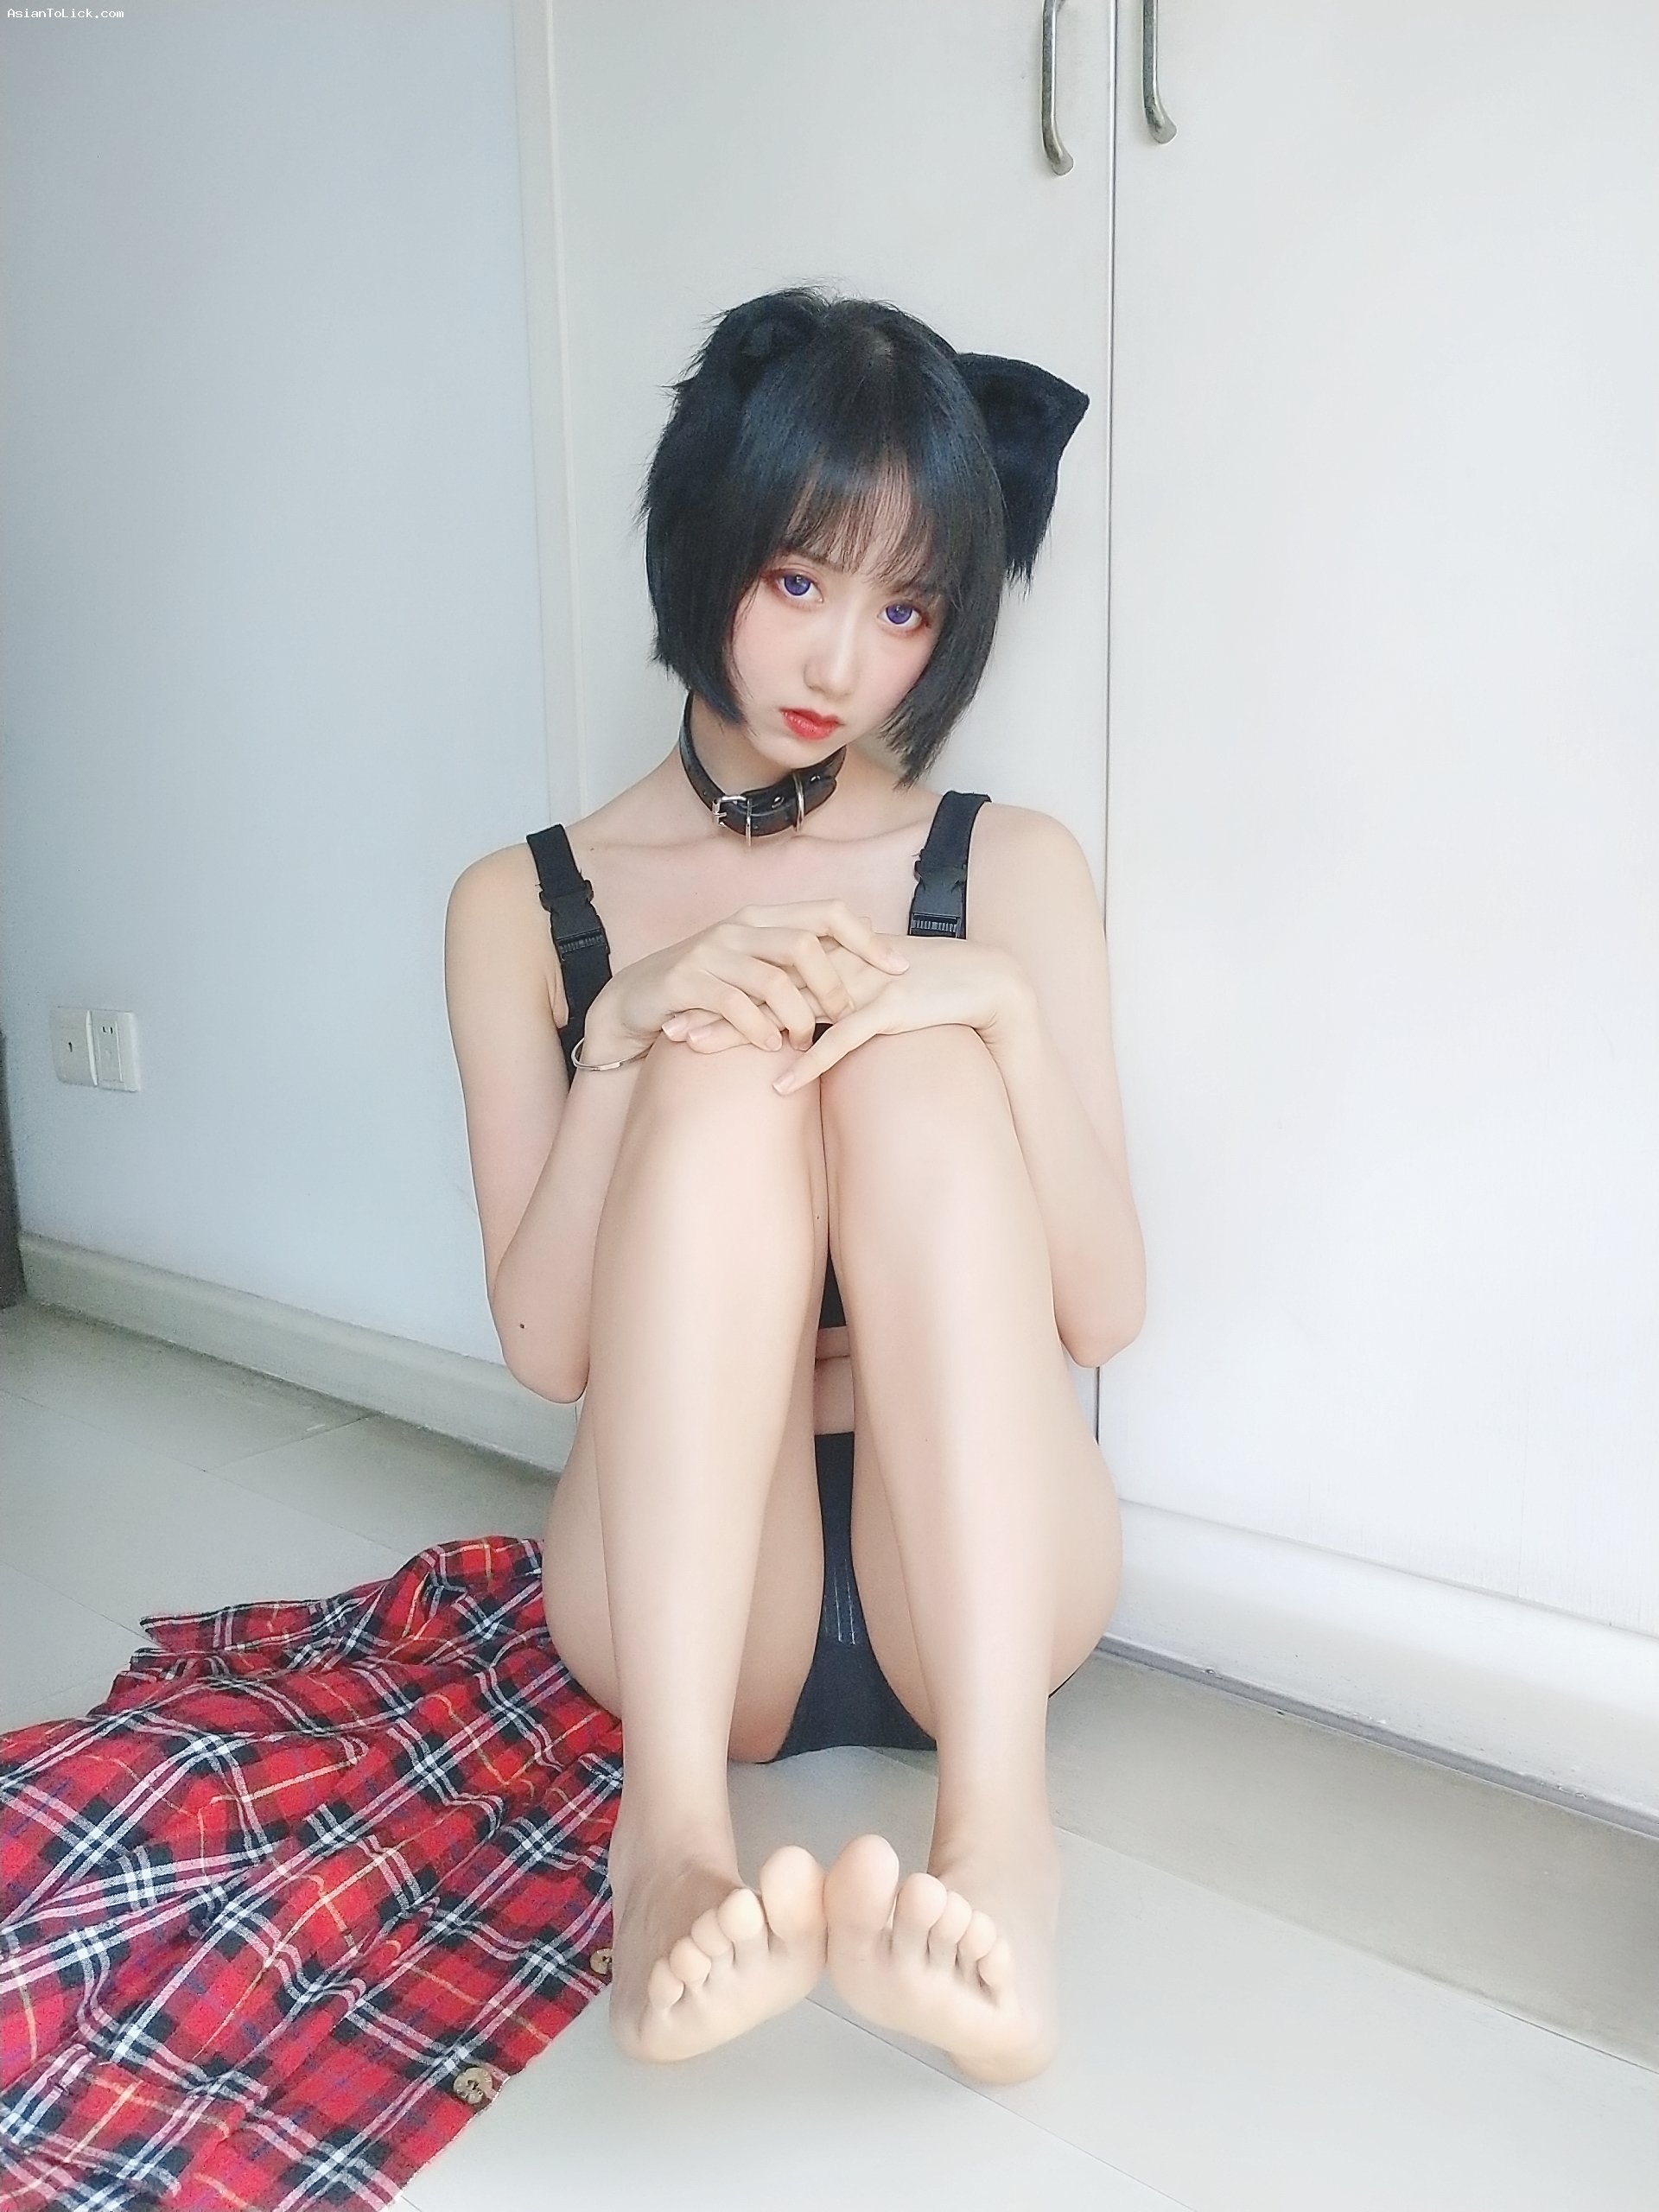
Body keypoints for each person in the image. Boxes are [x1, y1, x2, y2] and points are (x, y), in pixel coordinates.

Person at [443, 287, 1145, 2086]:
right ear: (704, 541)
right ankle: (668, 1841)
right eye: (797, 577)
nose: (842, 658)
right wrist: (622, 1037)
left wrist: (999, 1011)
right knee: (713, 1044)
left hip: (977, 1555)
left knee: (915, 1043)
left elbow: (1103, 1309)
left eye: (906, 608)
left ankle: (1004, 1844)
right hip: (690, 1585)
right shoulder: (524, 905)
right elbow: (546, 1348)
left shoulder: (1011, 864)